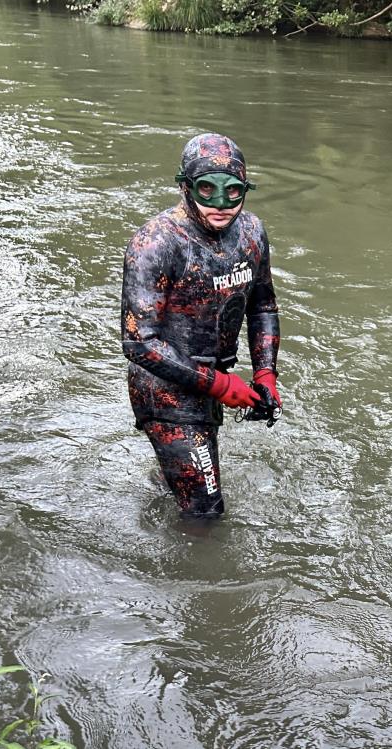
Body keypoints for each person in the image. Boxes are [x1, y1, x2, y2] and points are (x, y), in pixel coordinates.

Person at [121, 133, 281, 518]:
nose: (222, 205)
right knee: (206, 511)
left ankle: (161, 491)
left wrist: (266, 373)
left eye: (234, 192)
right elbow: (138, 340)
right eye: (208, 190)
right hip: (165, 391)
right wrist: (221, 385)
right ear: (186, 187)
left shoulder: (252, 233)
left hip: (212, 379)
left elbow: (263, 305)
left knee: (186, 478)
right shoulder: (156, 243)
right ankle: (189, 574)